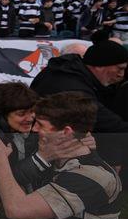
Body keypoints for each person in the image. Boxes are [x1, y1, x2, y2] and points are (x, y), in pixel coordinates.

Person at [31, 35, 128, 166]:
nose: (121, 75)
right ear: (100, 66)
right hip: (42, 149)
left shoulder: (73, 73)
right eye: (119, 68)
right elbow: (107, 122)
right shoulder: (72, 85)